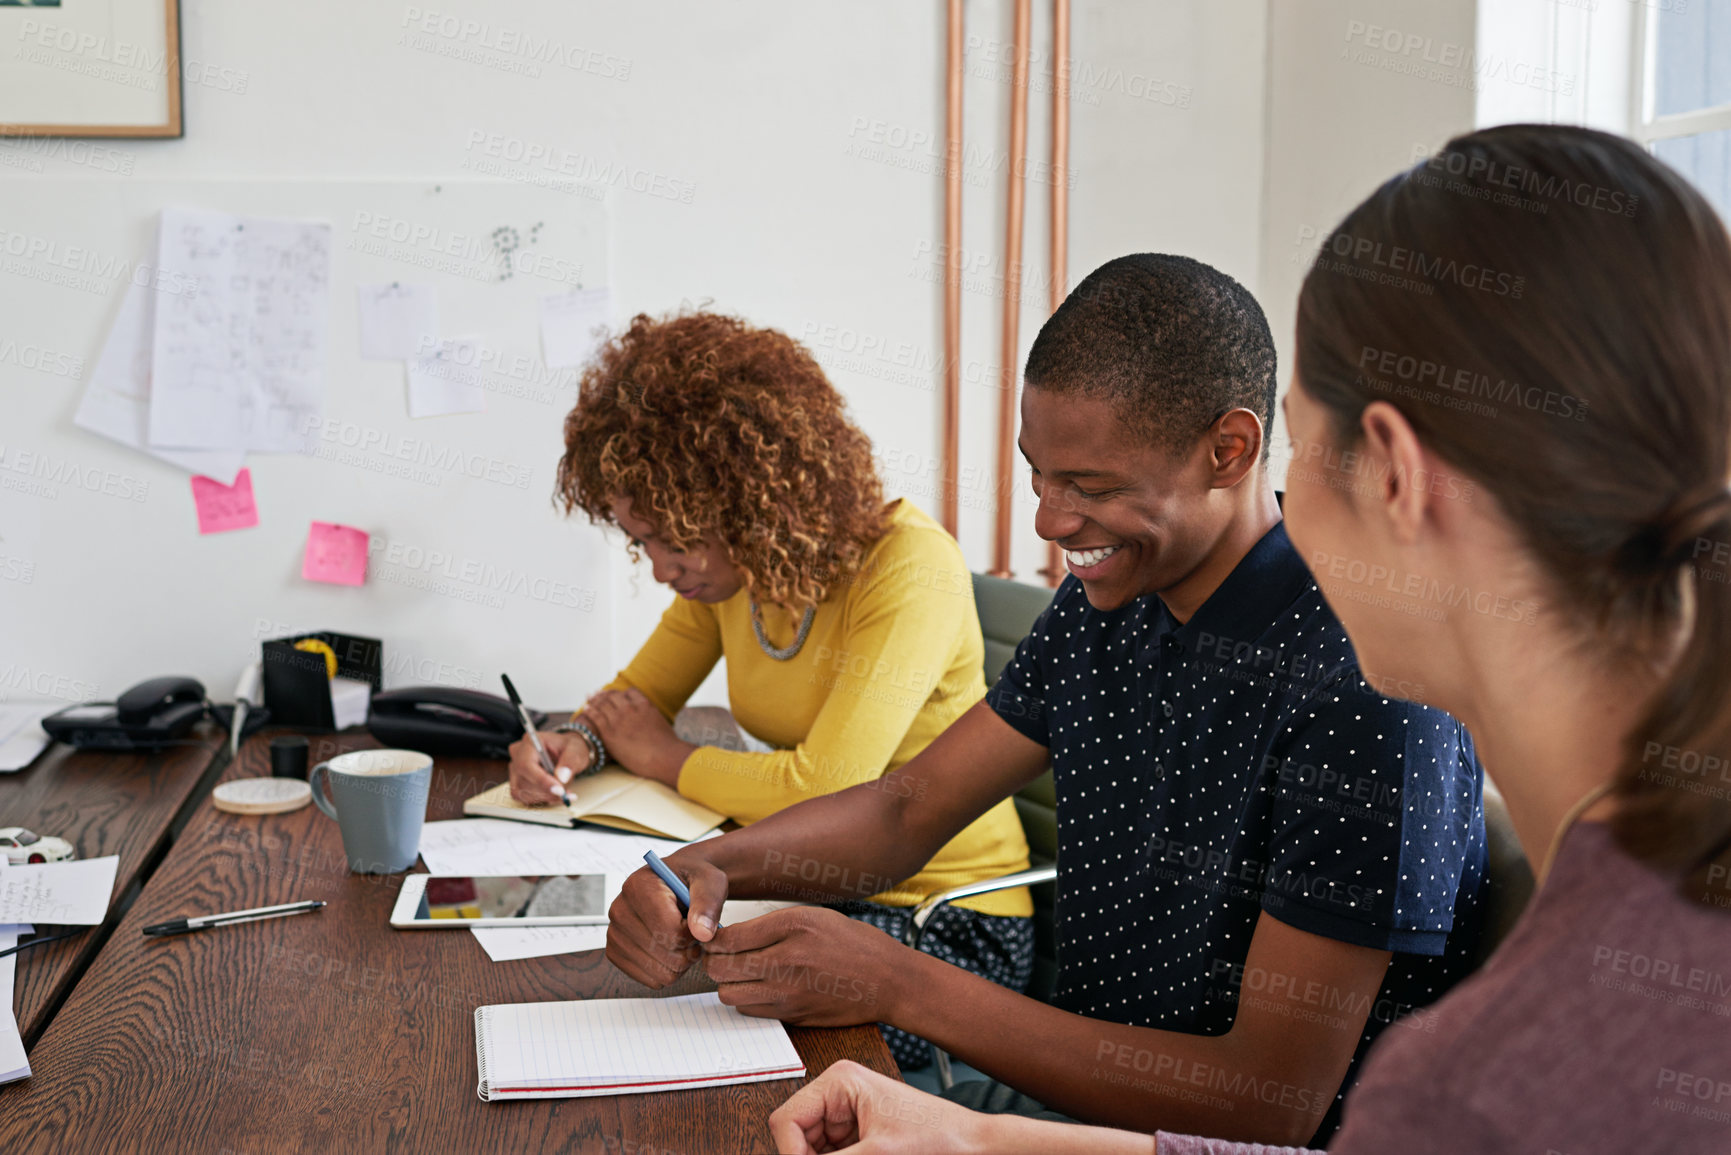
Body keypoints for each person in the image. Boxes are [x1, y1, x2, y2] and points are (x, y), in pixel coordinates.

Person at [767, 124, 1731, 1154]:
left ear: (1395, 475)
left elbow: (1283, 1112)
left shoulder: (1478, 1083)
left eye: (1304, 441)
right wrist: (979, 1140)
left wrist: (905, 987)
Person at [607, 257, 1488, 1146]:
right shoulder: (1115, 598)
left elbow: (1265, 1106)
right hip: (1079, 1120)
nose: (1049, 522)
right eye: (1038, 475)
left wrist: (898, 980)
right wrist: (701, 867)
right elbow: (906, 807)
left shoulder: (1376, 680)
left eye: (1092, 487)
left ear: (1229, 449)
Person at [506, 309, 1034, 1070]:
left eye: (671, 536)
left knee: (685, 1010)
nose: (657, 566)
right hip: (813, 895)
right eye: (639, 539)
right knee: (625, 969)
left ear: (749, 500)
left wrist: (659, 755)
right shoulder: (734, 575)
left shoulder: (909, 568)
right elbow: (636, 696)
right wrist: (576, 743)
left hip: (943, 928)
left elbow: (831, 787)